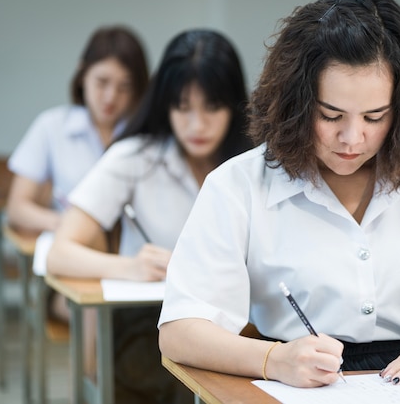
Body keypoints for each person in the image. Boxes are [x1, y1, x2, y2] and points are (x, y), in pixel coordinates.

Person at [158, 0, 400, 390]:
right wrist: (273, 358)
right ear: (296, 103)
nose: (352, 138)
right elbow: (178, 333)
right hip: (287, 380)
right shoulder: (238, 184)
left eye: (374, 117)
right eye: (331, 115)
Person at [47, 29, 252, 404]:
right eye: (183, 107)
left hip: (242, 327)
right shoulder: (135, 157)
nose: (197, 125)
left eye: (212, 107)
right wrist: (131, 267)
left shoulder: (254, 165)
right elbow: (59, 253)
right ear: (164, 104)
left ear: (235, 105)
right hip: (149, 328)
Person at [6, 25, 149, 374]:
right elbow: (17, 207)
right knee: (89, 300)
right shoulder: (53, 127)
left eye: (125, 86)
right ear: (82, 73)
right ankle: (92, 392)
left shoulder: (143, 135)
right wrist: (72, 223)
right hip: (70, 270)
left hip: (135, 264)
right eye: (102, 82)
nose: (110, 97)